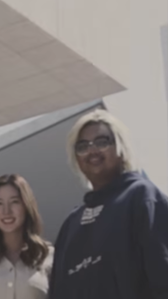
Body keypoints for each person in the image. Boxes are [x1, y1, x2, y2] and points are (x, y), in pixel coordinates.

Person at [49, 109, 168, 299]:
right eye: (82, 146)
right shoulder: (71, 224)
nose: (92, 151)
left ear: (121, 148)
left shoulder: (142, 197)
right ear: (76, 159)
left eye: (102, 142)